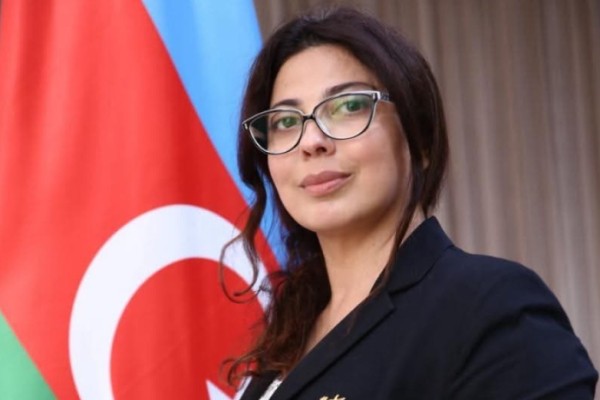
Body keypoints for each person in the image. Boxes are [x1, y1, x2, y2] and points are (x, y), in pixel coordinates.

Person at [221, 6, 598, 399]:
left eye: (349, 106)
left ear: (420, 141)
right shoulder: (287, 335)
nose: (312, 142)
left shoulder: (491, 305)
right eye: (285, 122)